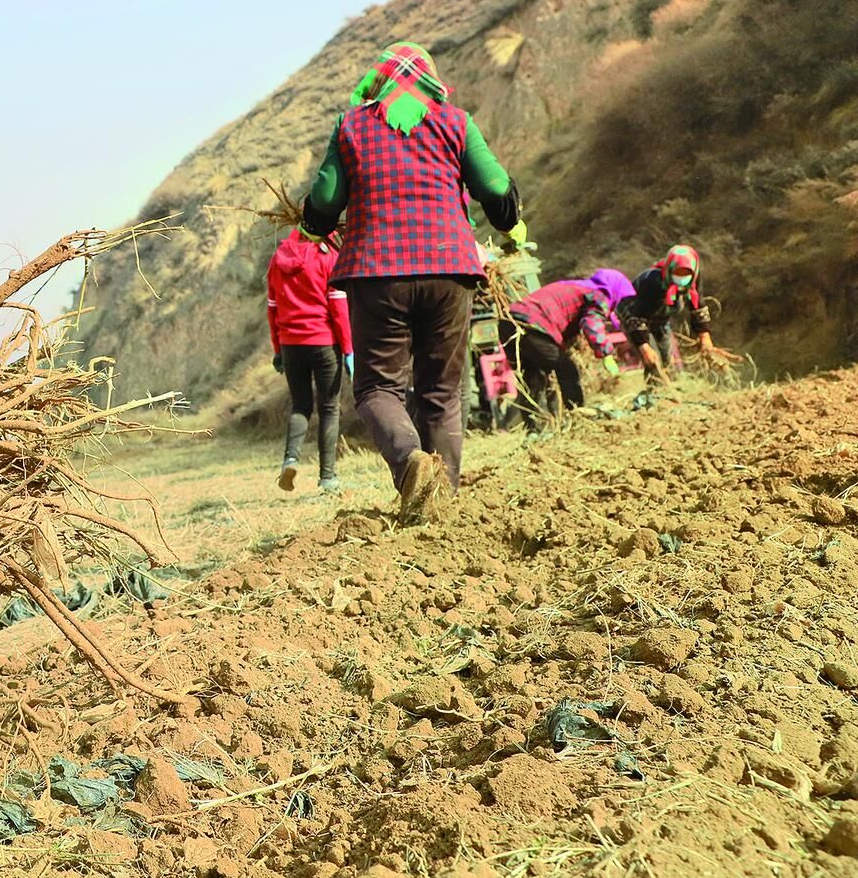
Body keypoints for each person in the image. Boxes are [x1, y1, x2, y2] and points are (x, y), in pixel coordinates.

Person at [301, 42, 520, 521]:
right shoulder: (454, 121)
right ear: (429, 82)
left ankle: (409, 462)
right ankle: (443, 504)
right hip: (449, 270)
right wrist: (509, 224)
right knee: (441, 393)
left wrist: (312, 228)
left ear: (378, 81)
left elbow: (323, 198)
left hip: (377, 274)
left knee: (378, 389)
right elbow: (497, 189)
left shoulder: (352, 124)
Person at [266, 229, 354, 493]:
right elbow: (338, 310)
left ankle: (290, 460)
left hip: (291, 344)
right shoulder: (329, 258)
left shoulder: (278, 259)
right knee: (329, 408)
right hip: (325, 342)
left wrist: (278, 349)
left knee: (300, 406)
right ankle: (327, 478)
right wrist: (349, 349)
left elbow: (272, 308)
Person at [502, 269, 632, 430]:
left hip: (508, 321)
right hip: (533, 324)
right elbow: (591, 324)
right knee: (567, 369)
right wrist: (606, 354)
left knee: (533, 378)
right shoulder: (597, 294)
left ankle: (535, 430)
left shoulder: (577, 287)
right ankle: (577, 417)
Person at [614, 245, 734, 383]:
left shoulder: (693, 279)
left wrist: (706, 340)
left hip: (660, 319)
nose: (683, 277)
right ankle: (655, 393)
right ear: (670, 269)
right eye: (678, 272)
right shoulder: (652, 282)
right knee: (653, 360)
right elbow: (637, 317)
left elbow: (697, 306)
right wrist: (644, 346)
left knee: (668, 361)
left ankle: (673, 391)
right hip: (633, 317)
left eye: (686, 273)